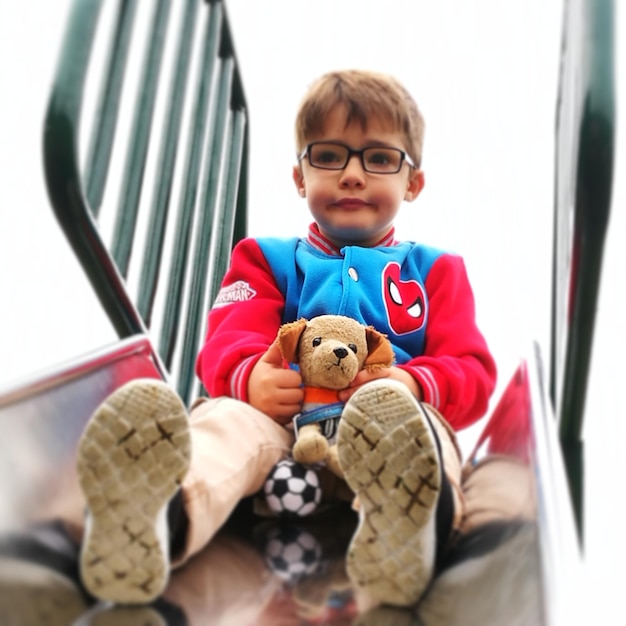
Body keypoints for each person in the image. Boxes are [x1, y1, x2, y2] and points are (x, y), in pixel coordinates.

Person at [75, 69, 498, 608]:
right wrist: (251, 377)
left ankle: (409, 530)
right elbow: (226, 343)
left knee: (417, 429)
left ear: (412, 182)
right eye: (328, 156)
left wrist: (412, 383)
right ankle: (155, 513)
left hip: (385, 432)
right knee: (227, 423)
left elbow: (472, 370)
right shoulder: (267, 260)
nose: (351, 175)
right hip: (283, 434)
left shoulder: (435, 271)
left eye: (379, 158)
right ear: (300, 177)